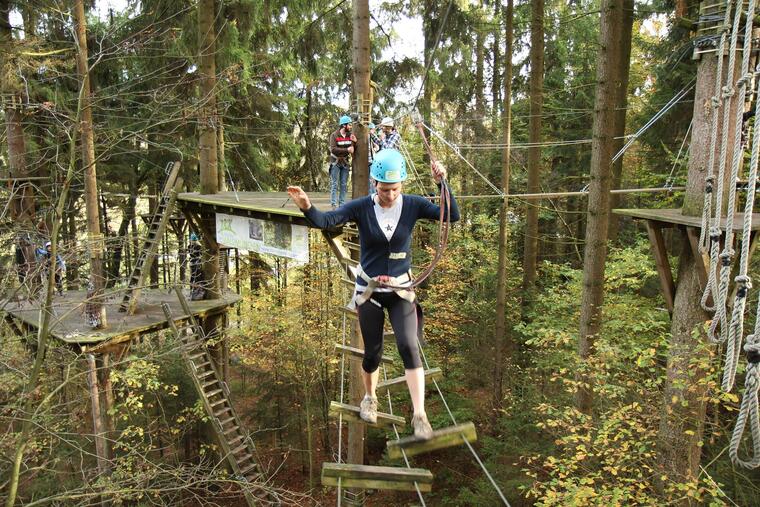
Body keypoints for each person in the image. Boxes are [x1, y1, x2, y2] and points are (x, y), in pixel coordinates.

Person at [287, 149, 460, 439]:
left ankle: (420, 415)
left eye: (394, 189)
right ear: (374, 184)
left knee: (409, 346)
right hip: (369, 291)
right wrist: (306, 206)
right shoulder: (361, 207)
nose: (389, 195)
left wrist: (442, 184)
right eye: (383, 189)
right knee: (373, 353)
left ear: (401, 185)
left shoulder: (414, 205)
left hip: (400, 291)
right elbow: (327, 221)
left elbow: (451, 215)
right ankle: (370, 397)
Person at [328, 115, 357, 208]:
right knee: (334, 184)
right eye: (349, 125)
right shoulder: (334, 135)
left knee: (343, 184)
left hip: (345, 163)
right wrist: (347, 150)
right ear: (344, 125)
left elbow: (353, 149)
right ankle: (333, 204)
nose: (350, 127)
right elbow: (333, 149)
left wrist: (355, 142)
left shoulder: (350, 136)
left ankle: (342, 204)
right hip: (335, 162)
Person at [367, 122, 382, 196]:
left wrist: (375, 149)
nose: (373, 131)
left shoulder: (371, 137)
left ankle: (373, 194)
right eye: (372, 130)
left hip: (372, 161)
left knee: (372, 180)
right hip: (368, 161)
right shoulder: (367, 136)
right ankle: (372, 196)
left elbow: (378, 144)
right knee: (371, 181)